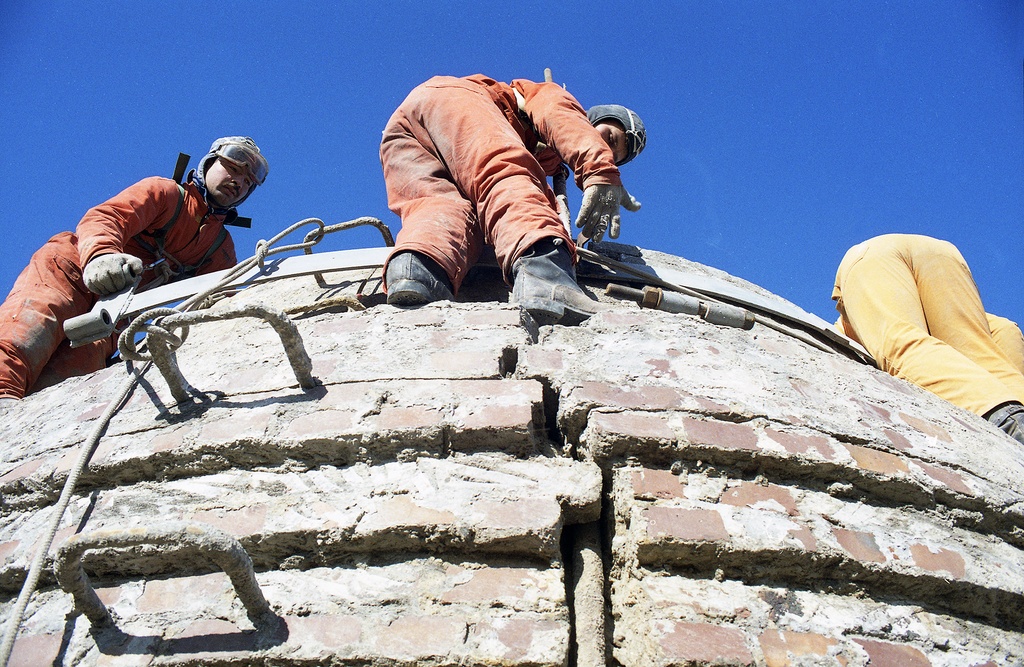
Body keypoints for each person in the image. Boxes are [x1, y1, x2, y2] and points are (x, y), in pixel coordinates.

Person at [0, 136, 269, 404]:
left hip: (118, 312)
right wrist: (102, 256)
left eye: (247, 182)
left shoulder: (219, 247)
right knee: (30, 329)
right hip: (72, 273)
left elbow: (223, 299)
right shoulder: (166, 193)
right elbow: (107, 218)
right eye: (232, 168)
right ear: (208, 164)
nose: (238, 182)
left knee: (74, 375)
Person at [379, 73, 646, 325]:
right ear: (594, 118)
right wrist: (600, 170)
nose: (605, 148)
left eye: (613, 155)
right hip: (456, 101)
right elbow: (562, 117)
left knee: (440, 207)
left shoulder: (548, 155)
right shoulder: (552, 98)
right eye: (610, 138)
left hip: (406, 132)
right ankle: (544, 274)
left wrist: (555, 166)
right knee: (509, 175)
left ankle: (418, 270)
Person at [832, 233, 1024, 444]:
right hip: (941, 252)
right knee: (980, 347)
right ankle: (1017, 410)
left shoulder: (847, 332)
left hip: (873, 257)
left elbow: (901, 345)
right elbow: (1005, 331)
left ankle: (1005, 417)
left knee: (903, 344)